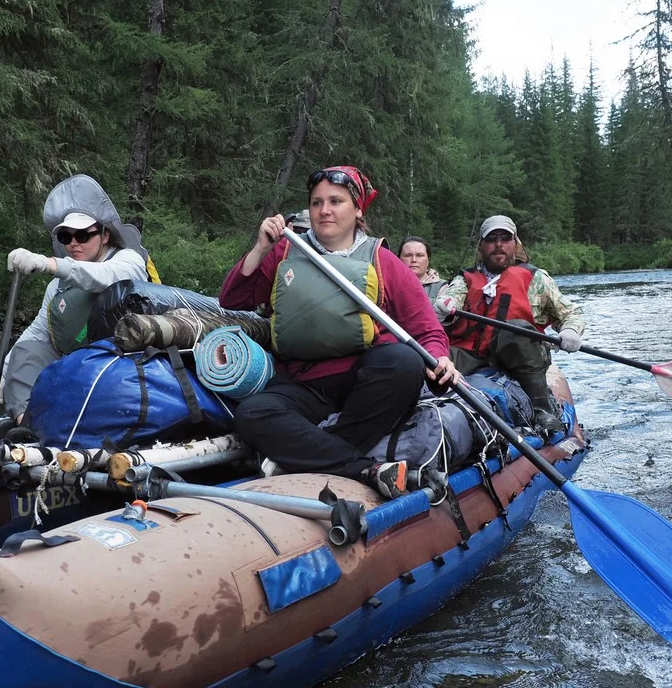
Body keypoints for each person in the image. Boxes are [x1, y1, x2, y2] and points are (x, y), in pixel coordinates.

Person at [219, 165, 458, 498]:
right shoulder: (285, 251)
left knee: (404, 362)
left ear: (358, 209)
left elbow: (426, 330)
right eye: (316, 203)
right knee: (251, 415)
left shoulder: (383, 260)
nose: (324, 210)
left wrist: (441, 357)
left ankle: (309, 456)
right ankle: (363, 468)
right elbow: (233, 300)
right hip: (303, 384)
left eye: (336, 201)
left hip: (364, 384)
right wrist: (260, 248)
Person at [0, 175, 151, 426]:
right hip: (75, 366)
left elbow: (107, 277)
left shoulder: (129, 261)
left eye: (83, 236)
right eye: (66, 237)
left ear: (104, 236)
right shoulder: (57, 287)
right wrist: (0, 379)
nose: (73, 244)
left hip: (122, 367)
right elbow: (36, 334)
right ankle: (26, 426)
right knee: (26, 350)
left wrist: (48, 263)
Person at [433, 214, 585, 434]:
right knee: (430, 351)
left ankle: (542, 410)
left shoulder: (536, 279)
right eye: (491, 239)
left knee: (518, 331)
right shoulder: (465, 279)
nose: (498, 245)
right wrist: (444, 306)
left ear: (515, 244)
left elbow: (571, 313)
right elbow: (452, 297)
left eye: (505, 238)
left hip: (518, 356)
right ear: (482, 246)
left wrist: (570, 330)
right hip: (473, 356)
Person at [399, 236, 444, 303]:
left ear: (428, 259)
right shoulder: (387, 285)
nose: (414, 260)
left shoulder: (443, 288)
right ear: (399, 259)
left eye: (419, 255)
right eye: (408, 255)